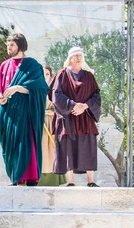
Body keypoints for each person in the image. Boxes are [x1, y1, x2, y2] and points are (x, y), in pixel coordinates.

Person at [0, 33, 48, 186]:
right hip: (7, 112)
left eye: (11, 45)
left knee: (25, 143)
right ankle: (14, 177)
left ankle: (28, 176)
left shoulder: (32, 64)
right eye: (8, 45)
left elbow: (40, 88)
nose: (8, 47)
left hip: (24, 112)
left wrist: (18, 88)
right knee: (10, 144)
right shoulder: (4, 65)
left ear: (20, 45)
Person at [51, 46, 102, 187]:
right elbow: (56, 95)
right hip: (68, 117)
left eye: (80, 55)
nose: (78, 57)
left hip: (85, 117)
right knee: (68, 147)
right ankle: (70, 181)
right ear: (70, 58)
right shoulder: (61, 74)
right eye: (75, 55)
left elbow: (96, 96)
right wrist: (73, 105)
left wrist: (85, 106)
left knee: (88, 147)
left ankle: (91, 181)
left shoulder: (89, 76)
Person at [37, 65, 67, 187]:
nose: (45, 76)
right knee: (39, 149)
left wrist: (53, 111)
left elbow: (63, 105)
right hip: (37, 124)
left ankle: (53, 179)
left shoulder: (54, 90)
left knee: (51, 150)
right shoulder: (33, 90)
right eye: (42, 74)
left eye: (47, 74)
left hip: (51, 124)